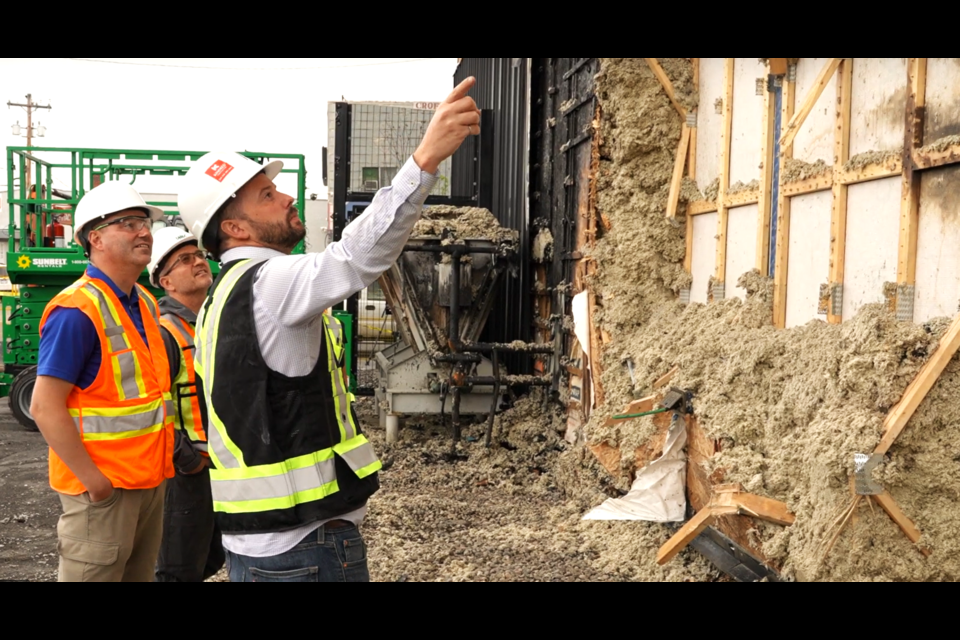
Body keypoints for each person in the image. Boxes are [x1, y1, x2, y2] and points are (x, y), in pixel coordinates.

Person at [177, 76, 480, 582]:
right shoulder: (268, 282)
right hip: (303, 547)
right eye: (266, 195)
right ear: (234, 227)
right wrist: (424, 160)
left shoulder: (222, 295)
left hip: (260, 544)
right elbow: (355, 258)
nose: (287, 198)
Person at [31, 181, 175, 582]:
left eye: (145, 223)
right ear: (94, 238)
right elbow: (43, 406)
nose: (144, 232)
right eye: (127, 223)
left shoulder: (143, 302)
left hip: (147, 484)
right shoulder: (76, 310)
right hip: (105, 493)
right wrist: (96, 484)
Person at [149, 227, 225, 582]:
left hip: (222, 467)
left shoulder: (213, 322)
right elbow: (152, 409)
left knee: (211, 557)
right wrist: (188, 460)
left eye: (198, 255)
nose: (198, 262)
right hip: (187, 473)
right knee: (179, 569)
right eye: (184, 260)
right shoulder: (165, 333)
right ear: (166, 281)